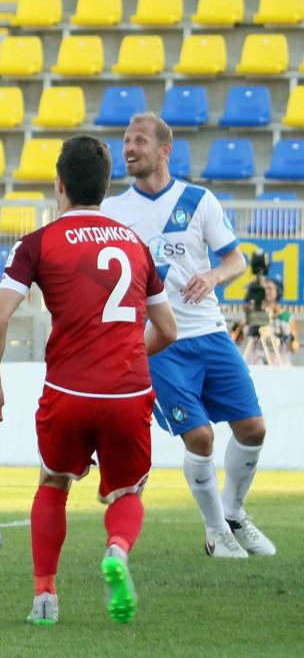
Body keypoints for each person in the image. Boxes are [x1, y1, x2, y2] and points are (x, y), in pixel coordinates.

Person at [0, 135, 178, 627]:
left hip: (69, 391)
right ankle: (117, 549)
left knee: (54, 482)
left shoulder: (38, 243)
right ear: (106, 187)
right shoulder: (134, 244)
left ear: (59, 185)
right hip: (128, 391)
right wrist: (127, 352)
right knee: (127, 493)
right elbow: (168, 330)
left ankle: (45, 596)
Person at [102, 114, 276, 558]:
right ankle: (216, 532)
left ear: (165, 150)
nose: (129, 149)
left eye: (139, 141)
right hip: (159, 342)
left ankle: (233, 514)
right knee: (200, 437)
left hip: (210, 333)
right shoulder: (113, 211)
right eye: (126, 141)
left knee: (253, 429)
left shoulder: (198, 200)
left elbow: (235, 260)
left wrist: (213, 276)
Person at [232, 277, 298, 366]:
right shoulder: (251, 316)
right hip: (255, 366)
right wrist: (242, 325)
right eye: (263, 289)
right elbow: (234, 340)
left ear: (278, 291)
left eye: (269, 288)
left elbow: (294, 348)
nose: (266, 291)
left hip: (279, 366)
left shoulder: (286, 318)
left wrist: (287, 338)